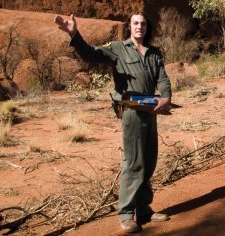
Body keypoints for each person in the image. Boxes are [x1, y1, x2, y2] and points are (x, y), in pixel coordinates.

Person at [54, 13, 172, 233]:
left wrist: (166, 97)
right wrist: (74, 34)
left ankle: (144, 209)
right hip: (131, 112)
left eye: (143, 24)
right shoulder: (118, 48)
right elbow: (91, 54)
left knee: (149, 160)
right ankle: (126, 214)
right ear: (130, 27)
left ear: (148, 27)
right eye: (136, 23)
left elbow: (163, 78)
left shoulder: (154, 53)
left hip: (151, 111)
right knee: (134, 162)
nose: (140, 27)